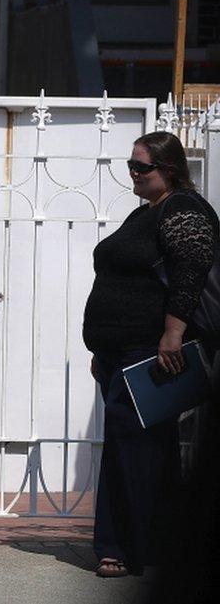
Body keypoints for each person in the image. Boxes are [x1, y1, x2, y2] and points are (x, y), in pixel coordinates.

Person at [82, 131, 218, 578]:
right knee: (144, 449)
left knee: (131, 448)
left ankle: (119, 547)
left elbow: (191, 271)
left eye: (142, 167)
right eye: (131, 166)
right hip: (120, 352)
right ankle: (159, 544)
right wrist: (103, 349)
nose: (133, 174)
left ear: (171, 170)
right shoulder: (148, 212)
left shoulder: (185, 210)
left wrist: (172, 335)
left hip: (150, 352)